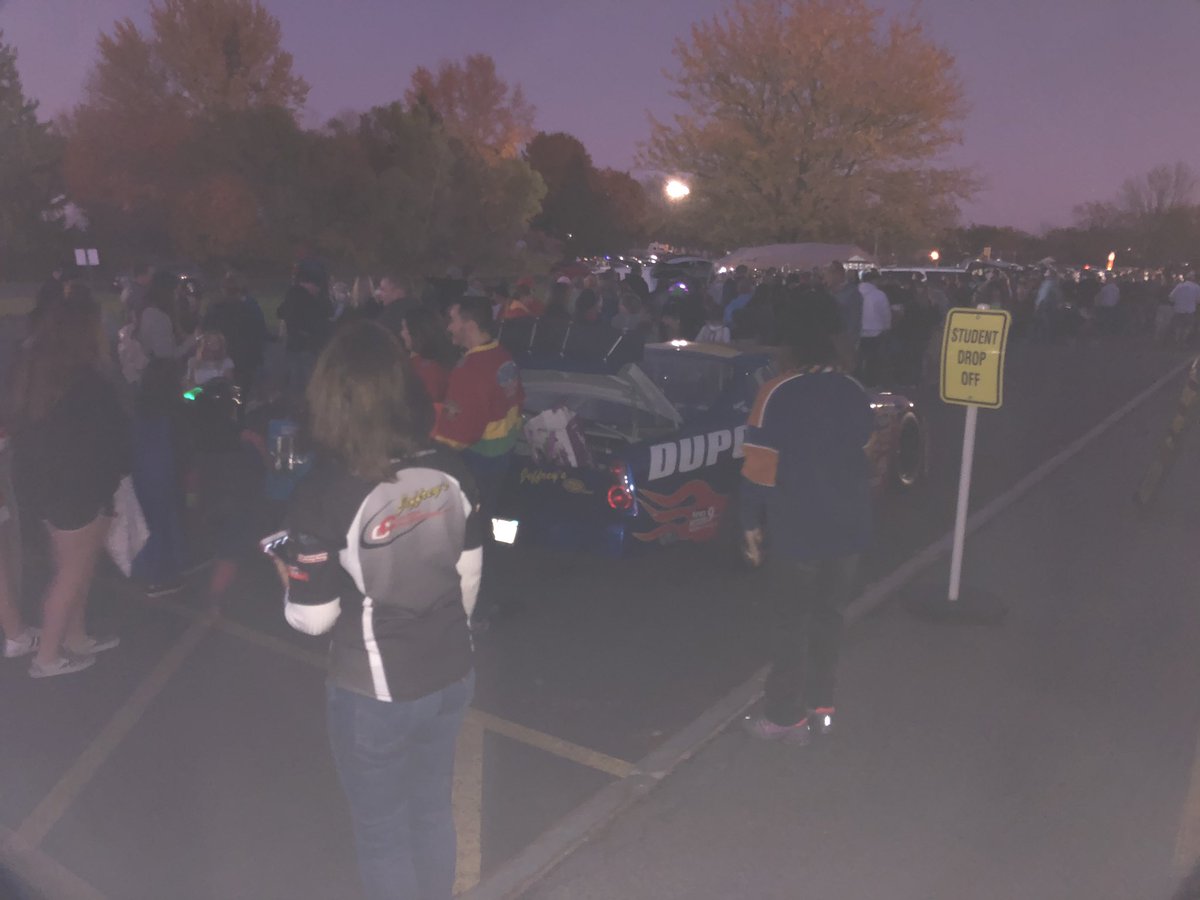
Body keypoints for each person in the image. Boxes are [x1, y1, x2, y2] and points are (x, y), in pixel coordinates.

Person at [279, 321, 480, 900]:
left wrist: (287, 576)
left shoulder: (325, 493)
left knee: (383, 833)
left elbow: (312, 618)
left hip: (375, 690)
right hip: (451, 672)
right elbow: (468, 580)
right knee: (431, 810)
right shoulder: (452, 469)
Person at [740, 301, 874, 743]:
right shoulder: (854, 389)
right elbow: (865, 449)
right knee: (830, 616)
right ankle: (822, 703)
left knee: (791, 622)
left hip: (798, 527)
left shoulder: (777, 392)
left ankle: (785, 717)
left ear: (789, 350)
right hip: (848, 526)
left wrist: (750, 524)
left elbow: (759, 468)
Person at [8, 285, 130, 677]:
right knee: (71, 573)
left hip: (53, 491)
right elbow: (109, 440)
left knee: (75, 568)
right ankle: (46, 657)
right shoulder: (86, 383)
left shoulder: (40, 376)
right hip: (81, 491)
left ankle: (75, 637)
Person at [433, 296, 523, 627]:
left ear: (469, 325)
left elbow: (457, 434)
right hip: (502, 459)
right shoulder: (503, 357)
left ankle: (476, 608)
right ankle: (496, 588)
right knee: (497, 530)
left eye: (453, 320)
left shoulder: (469, 371)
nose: (449, 327)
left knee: (471, 537)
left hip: (478, 465)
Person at [131, 358, 188, 598]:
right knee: (163, 525)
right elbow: (182, 447)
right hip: (163, 474)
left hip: (141, 472)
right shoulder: (175, 410)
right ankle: (160, 578)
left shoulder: (138, 406)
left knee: (146, 523)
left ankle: (144, 571)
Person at [278, 260, 333, 403]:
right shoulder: (307, 301)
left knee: (295, 384)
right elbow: (317, 323)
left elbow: (281, 312)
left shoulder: (293, 295)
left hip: (295, 347)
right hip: (306, 349)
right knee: (305, 385)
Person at [401, 306, 456, 407]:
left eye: (405, 328)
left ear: (416, 332)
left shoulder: (426, 369)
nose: (402, 333)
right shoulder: (442, 360)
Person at [857, 270, 893, 385]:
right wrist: (887, 327)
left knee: (857, 358)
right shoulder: (879, 294)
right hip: (876, 331)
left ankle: (857, 380)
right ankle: (871, 382)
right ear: (874, 280)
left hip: (857, 331)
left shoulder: (854, 292)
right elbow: (885, 313)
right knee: (873, 359)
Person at [1170, 272, 1200, 347]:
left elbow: (1171, 297)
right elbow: (1198, 300)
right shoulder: (1196, 287)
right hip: (1190, 310)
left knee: (1179, 326)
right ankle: (1183, 339)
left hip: (1178, 309)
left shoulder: (1179, 286)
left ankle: (1177, 340)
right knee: (1188, 326)